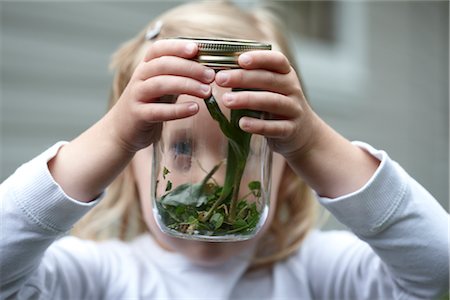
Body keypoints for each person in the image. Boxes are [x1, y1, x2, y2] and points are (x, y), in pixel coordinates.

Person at [1, 1, 448, 299]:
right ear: (125, 164)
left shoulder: (319, 271)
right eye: (179, 148)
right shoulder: (97, 275)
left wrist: (312, 142)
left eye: (257, 144)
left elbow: (436, 264)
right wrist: (112, 136)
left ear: (288, 166)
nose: (206, 178)